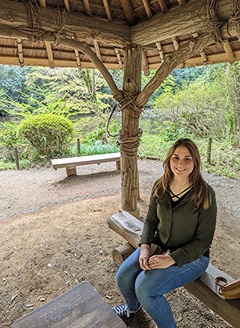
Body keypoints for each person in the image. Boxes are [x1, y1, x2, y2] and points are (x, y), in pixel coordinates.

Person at [112, 138, 217, 328]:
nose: (180, 164)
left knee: (145, 288)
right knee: (124, 276)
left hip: (194, 256)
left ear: (196, 162)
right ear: (169, 159)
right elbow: (151, 221)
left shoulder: (205, 194)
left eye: (187, 159)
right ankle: (132, 308)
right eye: (176, 158)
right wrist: (144, 248)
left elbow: (204, 241)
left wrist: (172, 259)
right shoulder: (160, 185)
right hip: (158, 246)